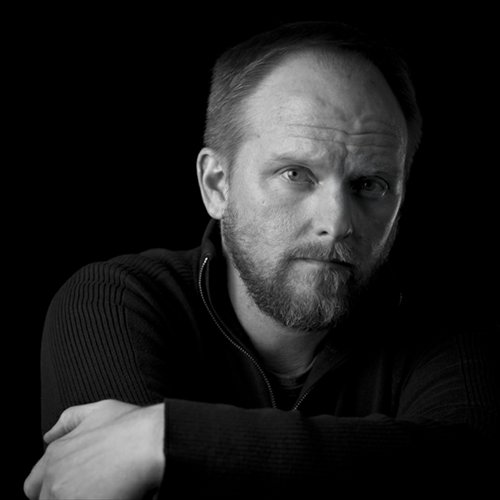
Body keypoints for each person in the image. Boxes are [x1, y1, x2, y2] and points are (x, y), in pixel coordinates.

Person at [24, 21, 498, 499]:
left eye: (370, 184)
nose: (337, 222)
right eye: (295, 173)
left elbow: (474, 466)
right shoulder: (114, 301)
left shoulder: (445, 328)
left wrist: (165, 437)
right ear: (216, 184)